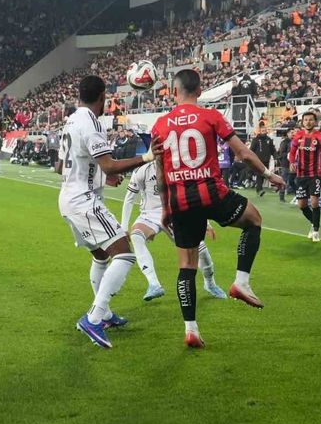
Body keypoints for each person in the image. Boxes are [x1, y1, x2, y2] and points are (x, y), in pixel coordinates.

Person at [151, 69, 284, 348]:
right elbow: (243, 154)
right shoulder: (211, 116)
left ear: (173, 92)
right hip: (212, 193)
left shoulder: (159, 126)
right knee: (254, 220)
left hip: (180, 201)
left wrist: (165, 208)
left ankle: (191, 330)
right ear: (199, 91)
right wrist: (269, 176)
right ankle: (241, 282)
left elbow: (161, 171)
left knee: (186, 265)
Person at [57, 75, 156, 349]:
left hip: (68, 198)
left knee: (101, 256)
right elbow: (110, 165)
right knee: (124, 253)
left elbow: (61, 166)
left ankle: (106, 315)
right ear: (102, 97)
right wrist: (147, 157)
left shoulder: (72, 120)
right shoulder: (91, 123)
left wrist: (102, 176)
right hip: (84, 201)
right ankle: (94, 317)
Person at [120, 162, 226, 301]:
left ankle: (210, 283)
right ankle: (154, 284)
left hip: (175, 214)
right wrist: (124, 227)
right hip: (149, 214)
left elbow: (193, 196)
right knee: (136, 236)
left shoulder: (178, 169)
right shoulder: (142, 171)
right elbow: (129, 199)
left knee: (200, 249)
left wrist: (205, 222)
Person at [289, 111, 321, 241]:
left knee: (314, 201)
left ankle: (316, 231)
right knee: (302, 205)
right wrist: (292, 162)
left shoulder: (320, 137)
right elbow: (292, 152)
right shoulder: (298, 136)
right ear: (302, 122)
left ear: (315, 122)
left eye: (311, 120)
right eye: (306, 120)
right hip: (301, 174)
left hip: (315, 174)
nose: (308, 122)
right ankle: (313, 222)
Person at [249, 124, 277, 197]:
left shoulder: (269, 140)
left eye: (265, 130)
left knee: (264, 175)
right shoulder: (256, 140)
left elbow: (273, 150)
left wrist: (276, 157)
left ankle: (258, 186)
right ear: (260, 131)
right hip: (258, 160)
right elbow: (251, 150)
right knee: (259, 174)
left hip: (266, 160)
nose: (264, 132)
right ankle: (259, 189)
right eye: (262, 131)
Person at [277, 129, 295, 202]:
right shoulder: (284, 142)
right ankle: (281, 196)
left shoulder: (296, 142)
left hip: (294, 165)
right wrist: (289, 154)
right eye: (292, 132)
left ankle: (297, 195)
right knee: (284, 181)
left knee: (293, 181)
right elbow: (281, 154)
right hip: (286, 164)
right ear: (287, 133)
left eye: (294, 132)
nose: (293, 134)